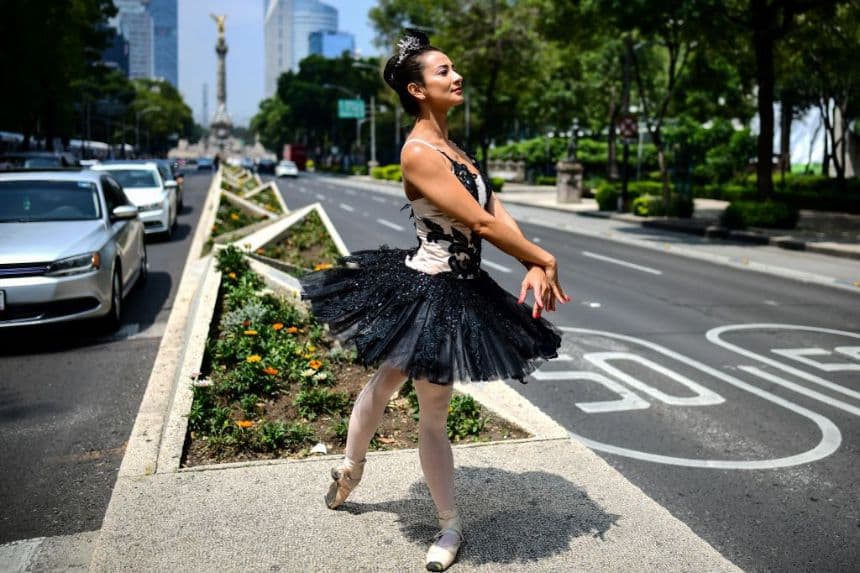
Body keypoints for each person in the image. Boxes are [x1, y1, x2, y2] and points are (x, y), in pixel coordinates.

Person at [300, 29, 570, 572]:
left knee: (397, 386)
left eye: (453, 68)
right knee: (422, 400)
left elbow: (495, 207)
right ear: (417, 90)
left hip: (463, 288)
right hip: (427, 289)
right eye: (443, 71)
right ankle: (441, 519)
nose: (456, 76)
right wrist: (542, 258)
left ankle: (354, 473)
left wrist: (534, 261)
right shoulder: (418, 153)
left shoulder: (455, 150)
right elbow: (477, 221)